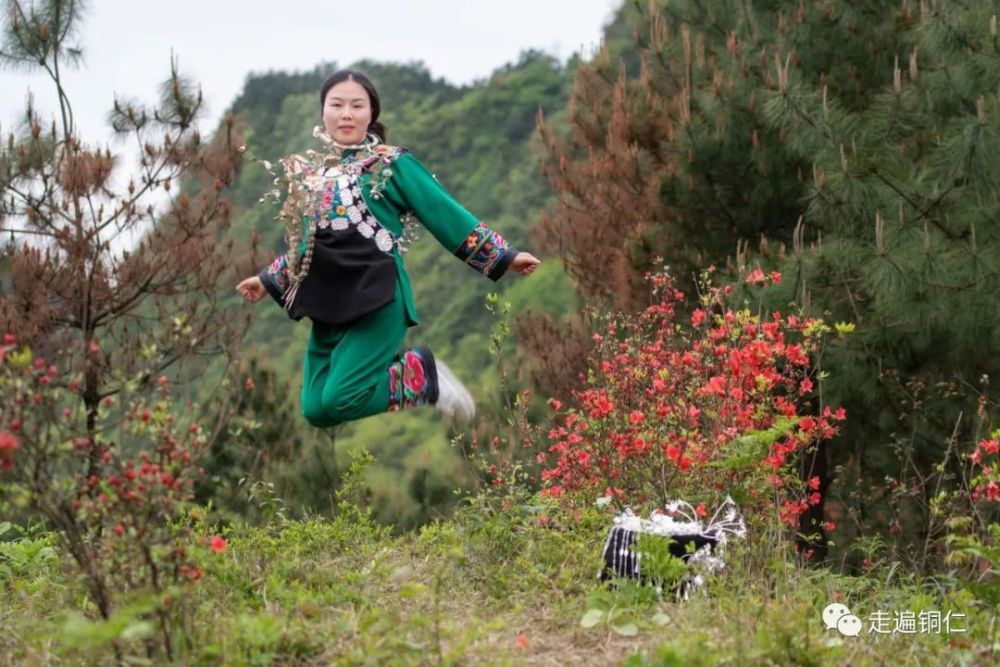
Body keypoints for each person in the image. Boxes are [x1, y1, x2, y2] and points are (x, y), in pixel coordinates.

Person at [236, 70, 541, 428]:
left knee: (340, 398)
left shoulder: (390, 164)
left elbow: (441, 210)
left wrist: (503, 256)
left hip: (378, 298)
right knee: (316, 408)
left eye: (356, 105)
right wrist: (268, 279)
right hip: (328, 302)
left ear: (371, 113)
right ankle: (416, 377)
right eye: (337, 105)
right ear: (323, 113)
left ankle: (422, 377)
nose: (346, 114)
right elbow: (308, 245)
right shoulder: (312, 176)